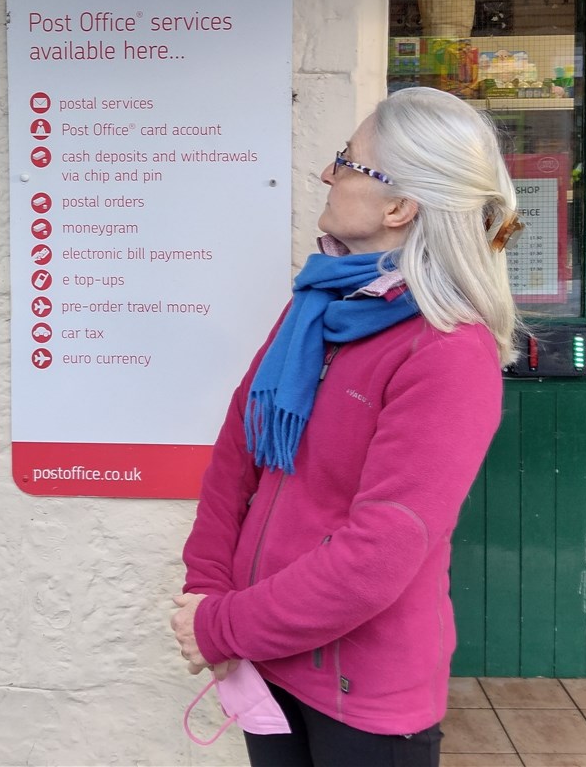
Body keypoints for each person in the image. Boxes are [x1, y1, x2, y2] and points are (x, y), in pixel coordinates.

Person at [170, 86, 521, 767]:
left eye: (349, 162)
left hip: (361, 691)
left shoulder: (449, 351)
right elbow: (235, 458)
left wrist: (223, 624)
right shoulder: (317, 307)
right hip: (268, 658)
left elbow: (379, 552)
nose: (328, 174)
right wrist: (207, 591)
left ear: (400, 207)